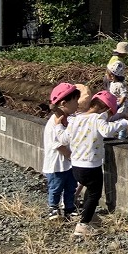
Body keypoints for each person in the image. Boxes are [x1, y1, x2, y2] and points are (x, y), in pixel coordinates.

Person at [57, 90, 128, 238]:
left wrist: (58, 126)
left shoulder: (75, 119)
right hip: (91, 165)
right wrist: (124, 122)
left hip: (76, 166)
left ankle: (90, 217)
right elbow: (107, 131)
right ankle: (82, 225)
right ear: (104, 109)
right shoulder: (97, 119)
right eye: (110, 114)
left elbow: (64, 139)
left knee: (90, 192)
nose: (109, 118)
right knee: (94, 194)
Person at [43, 83, 80, 221]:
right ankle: (53, 208)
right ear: (64, 103)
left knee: (71, 186)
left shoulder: (68, 119)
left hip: (68, 164)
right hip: (56, 164)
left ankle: (69, 208)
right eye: (75, 101)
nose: (78, 104)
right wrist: (71, 156)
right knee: (56, 187)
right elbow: (58, 144)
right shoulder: (54, 122)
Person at [105, 60, 128, 138]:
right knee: (113, 118)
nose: (105, 75)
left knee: (121, 119)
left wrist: (119, 104)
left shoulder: (120, 85)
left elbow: (124, 95)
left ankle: (122, 136)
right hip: (114, 104)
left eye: (107, 74)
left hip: (121, 106)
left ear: (112, 76)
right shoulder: (112, 83)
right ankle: (113, 133)